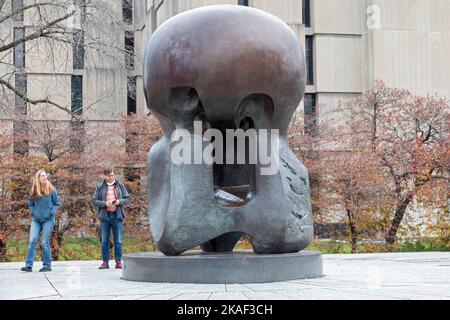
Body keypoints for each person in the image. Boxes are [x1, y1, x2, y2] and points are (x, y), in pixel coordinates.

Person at [21, 169, 61, 272]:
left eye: (45, 176)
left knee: (44, 242)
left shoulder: (51, 189)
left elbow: (57, 204)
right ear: (38, 178)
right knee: (32, 241)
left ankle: (47, 266)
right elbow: (30, 204)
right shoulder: (34, 190)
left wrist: (51, 211)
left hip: (48, 220)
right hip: (36, 220)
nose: (44, 177)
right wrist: (34, 212)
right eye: (42, 176)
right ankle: (28, 266)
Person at [93, 168, 130, 269]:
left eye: (113, 175)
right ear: (105, 176)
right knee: (105, 240)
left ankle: (118, 262)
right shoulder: (100, 187)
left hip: (117, 215)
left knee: (118, 240)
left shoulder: (120, 185)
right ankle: (105, 262)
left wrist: (119, 202)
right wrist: (105, 203)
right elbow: (94, 201)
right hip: (105, 216)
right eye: (109, 175)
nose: (111, 177)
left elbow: (127, 199)